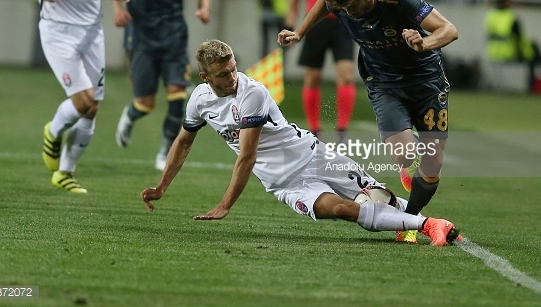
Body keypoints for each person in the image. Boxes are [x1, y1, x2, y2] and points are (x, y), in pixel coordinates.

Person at [140, 39, 462, 247]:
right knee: (341, 210)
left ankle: (425, 224)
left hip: (314, 157)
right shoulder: (199, 101)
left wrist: (225, 205)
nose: (232, 78)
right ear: (205, 78)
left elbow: (247, 157)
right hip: (285, 184)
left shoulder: (251, 93)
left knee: (377, 197)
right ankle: (428, 224)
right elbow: (183, 143)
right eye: (223, 75)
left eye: (233, 69)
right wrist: (162, 185)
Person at [278, 0, 459, 242]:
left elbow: (449, 30)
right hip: (383, 82)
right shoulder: (340, 0)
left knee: (433, 163)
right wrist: (300, 32)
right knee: (405, 154)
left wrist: (424, 43)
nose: (349, 13)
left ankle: (408, 221)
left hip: (426, 81)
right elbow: (326, 2)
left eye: (352, 6)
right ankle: (409, 212)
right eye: (344, 9)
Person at [15, 0, 130, 193]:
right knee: (83, 101)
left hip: (92, 33)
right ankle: (53, 131)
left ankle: (65, 172)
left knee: (92, 108)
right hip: (56, 31)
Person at [113, 0, 212, 172]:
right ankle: (131, 116)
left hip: (173, 35)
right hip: (141, 34)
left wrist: (205, 8)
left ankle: (164, 151)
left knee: (178, 96)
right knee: (145, 103)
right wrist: (117, 9)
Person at [285, 0, 357, 142]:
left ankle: (342, 129)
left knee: (345, 74)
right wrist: (290, 28)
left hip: (342, 24)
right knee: (312, 78)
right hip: (315, 25)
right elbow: (293, 1)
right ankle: (315, 130)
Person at [484, 0, 541, 92]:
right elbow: (519, 40)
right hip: (508, 52)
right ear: (506, 1)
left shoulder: (490, 16)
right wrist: (525, 52)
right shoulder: (510, 17)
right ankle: (539, 80)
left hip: (493, 52)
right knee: (533, 51)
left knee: (533, 50)